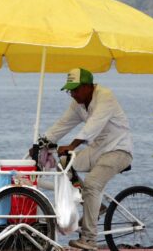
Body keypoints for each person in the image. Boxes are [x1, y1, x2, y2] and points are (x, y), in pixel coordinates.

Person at [44, 68, 133, 251]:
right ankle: (95, 206)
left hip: (118, 151)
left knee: (92, 183)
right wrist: (42, 142)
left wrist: (72, 145)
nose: (73, 95)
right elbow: (62, 124)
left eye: (75, 90)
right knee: (64, 164)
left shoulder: (105, 97)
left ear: (87, 86)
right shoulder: (78, 103)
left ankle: (89, 240)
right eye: (70, 91)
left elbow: (94, 125)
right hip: (97, 150)